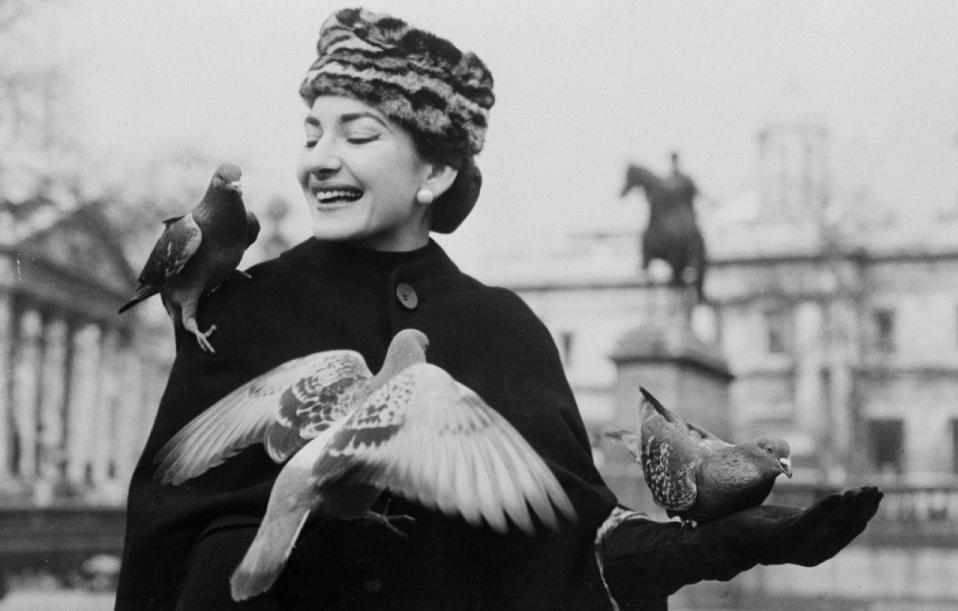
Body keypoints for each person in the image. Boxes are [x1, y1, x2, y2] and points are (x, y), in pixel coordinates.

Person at [115, 8, 881, 610]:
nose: (319, 158)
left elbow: (570, 548)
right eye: (311, 132)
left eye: (357, 133)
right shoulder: (243, 310)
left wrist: (713, 547)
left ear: (436, 170)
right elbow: (162, 540)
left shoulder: (506, 329)